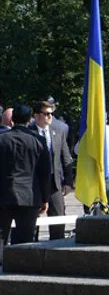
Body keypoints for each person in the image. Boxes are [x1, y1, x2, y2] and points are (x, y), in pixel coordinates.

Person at [0, 105, 51, 246]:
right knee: (26, 240)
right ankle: (22, 265)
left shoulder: (2, 139)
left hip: (3, 194)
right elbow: (45, 172)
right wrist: (45, 198)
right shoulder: (38, 141)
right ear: (30, 119)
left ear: (12, 120)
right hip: (30, 195)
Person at [31, 100, 73, 240]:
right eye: (46, 114)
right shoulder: (29, 132)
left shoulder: (57, 131)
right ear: (36, 116)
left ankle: (56, 248)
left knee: (58, 219)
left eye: (51, 114)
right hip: (34, 184)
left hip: (54, 182)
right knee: (32, 222)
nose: (50, 117)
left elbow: (65, 156)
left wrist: (68, 181)